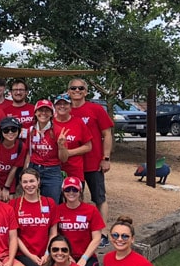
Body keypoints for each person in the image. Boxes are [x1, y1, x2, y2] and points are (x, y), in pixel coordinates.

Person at [68, 78, 114, 247]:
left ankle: (103, 233)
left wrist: (106, 158)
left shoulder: (96, 109)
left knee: (99, 197)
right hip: (73, 165)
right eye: (73, 88)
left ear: (86, 92)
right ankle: (77, 232)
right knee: (74, 198)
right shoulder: (64, 110)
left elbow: (107, 134)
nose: (77, 91)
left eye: (81, 88)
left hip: (94, 163)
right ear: (68, 91)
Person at [11, 168, 58, 266]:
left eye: (32, 181)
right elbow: (14, 236)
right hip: (23, 254)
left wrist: (47, 254)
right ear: (21, 184)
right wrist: (31, 256)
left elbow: (53, 233)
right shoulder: (14, 204)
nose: (29, 185)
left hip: (46, 253)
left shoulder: (49, 202)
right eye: (25, 182)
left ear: (38, 181)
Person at [55, 176, 104, 266]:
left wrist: (84, 259)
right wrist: (66, 256)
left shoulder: (91, 210)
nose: (71, 192)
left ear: (80, 191)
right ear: (63, 191)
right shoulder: (58, 210)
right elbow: (55, 236)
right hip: (63, 255)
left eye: (75, 189)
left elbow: (97, 238)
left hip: (87, 256)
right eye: (67, 189)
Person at [24, 99, 66, 203]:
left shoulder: (58, 131)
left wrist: (61, 146)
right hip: (33, 169)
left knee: (51, 203)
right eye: (40, 110)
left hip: (52, 171)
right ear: (35, 113)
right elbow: (28, 152)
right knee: (32, 202)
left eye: (47, 111)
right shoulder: (31, 130)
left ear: (52, 114)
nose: (43, 113)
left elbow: (64, 159)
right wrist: (26, 171)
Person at [52, 93, 92, 181]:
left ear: (70, 106)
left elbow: (88, 146)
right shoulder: (50, 123)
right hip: (53, 170)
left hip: (74, 170)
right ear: (54, 107)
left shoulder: (78, 122)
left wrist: (68, 153)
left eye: (65, 104)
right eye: (59, 104)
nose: (62, 106)